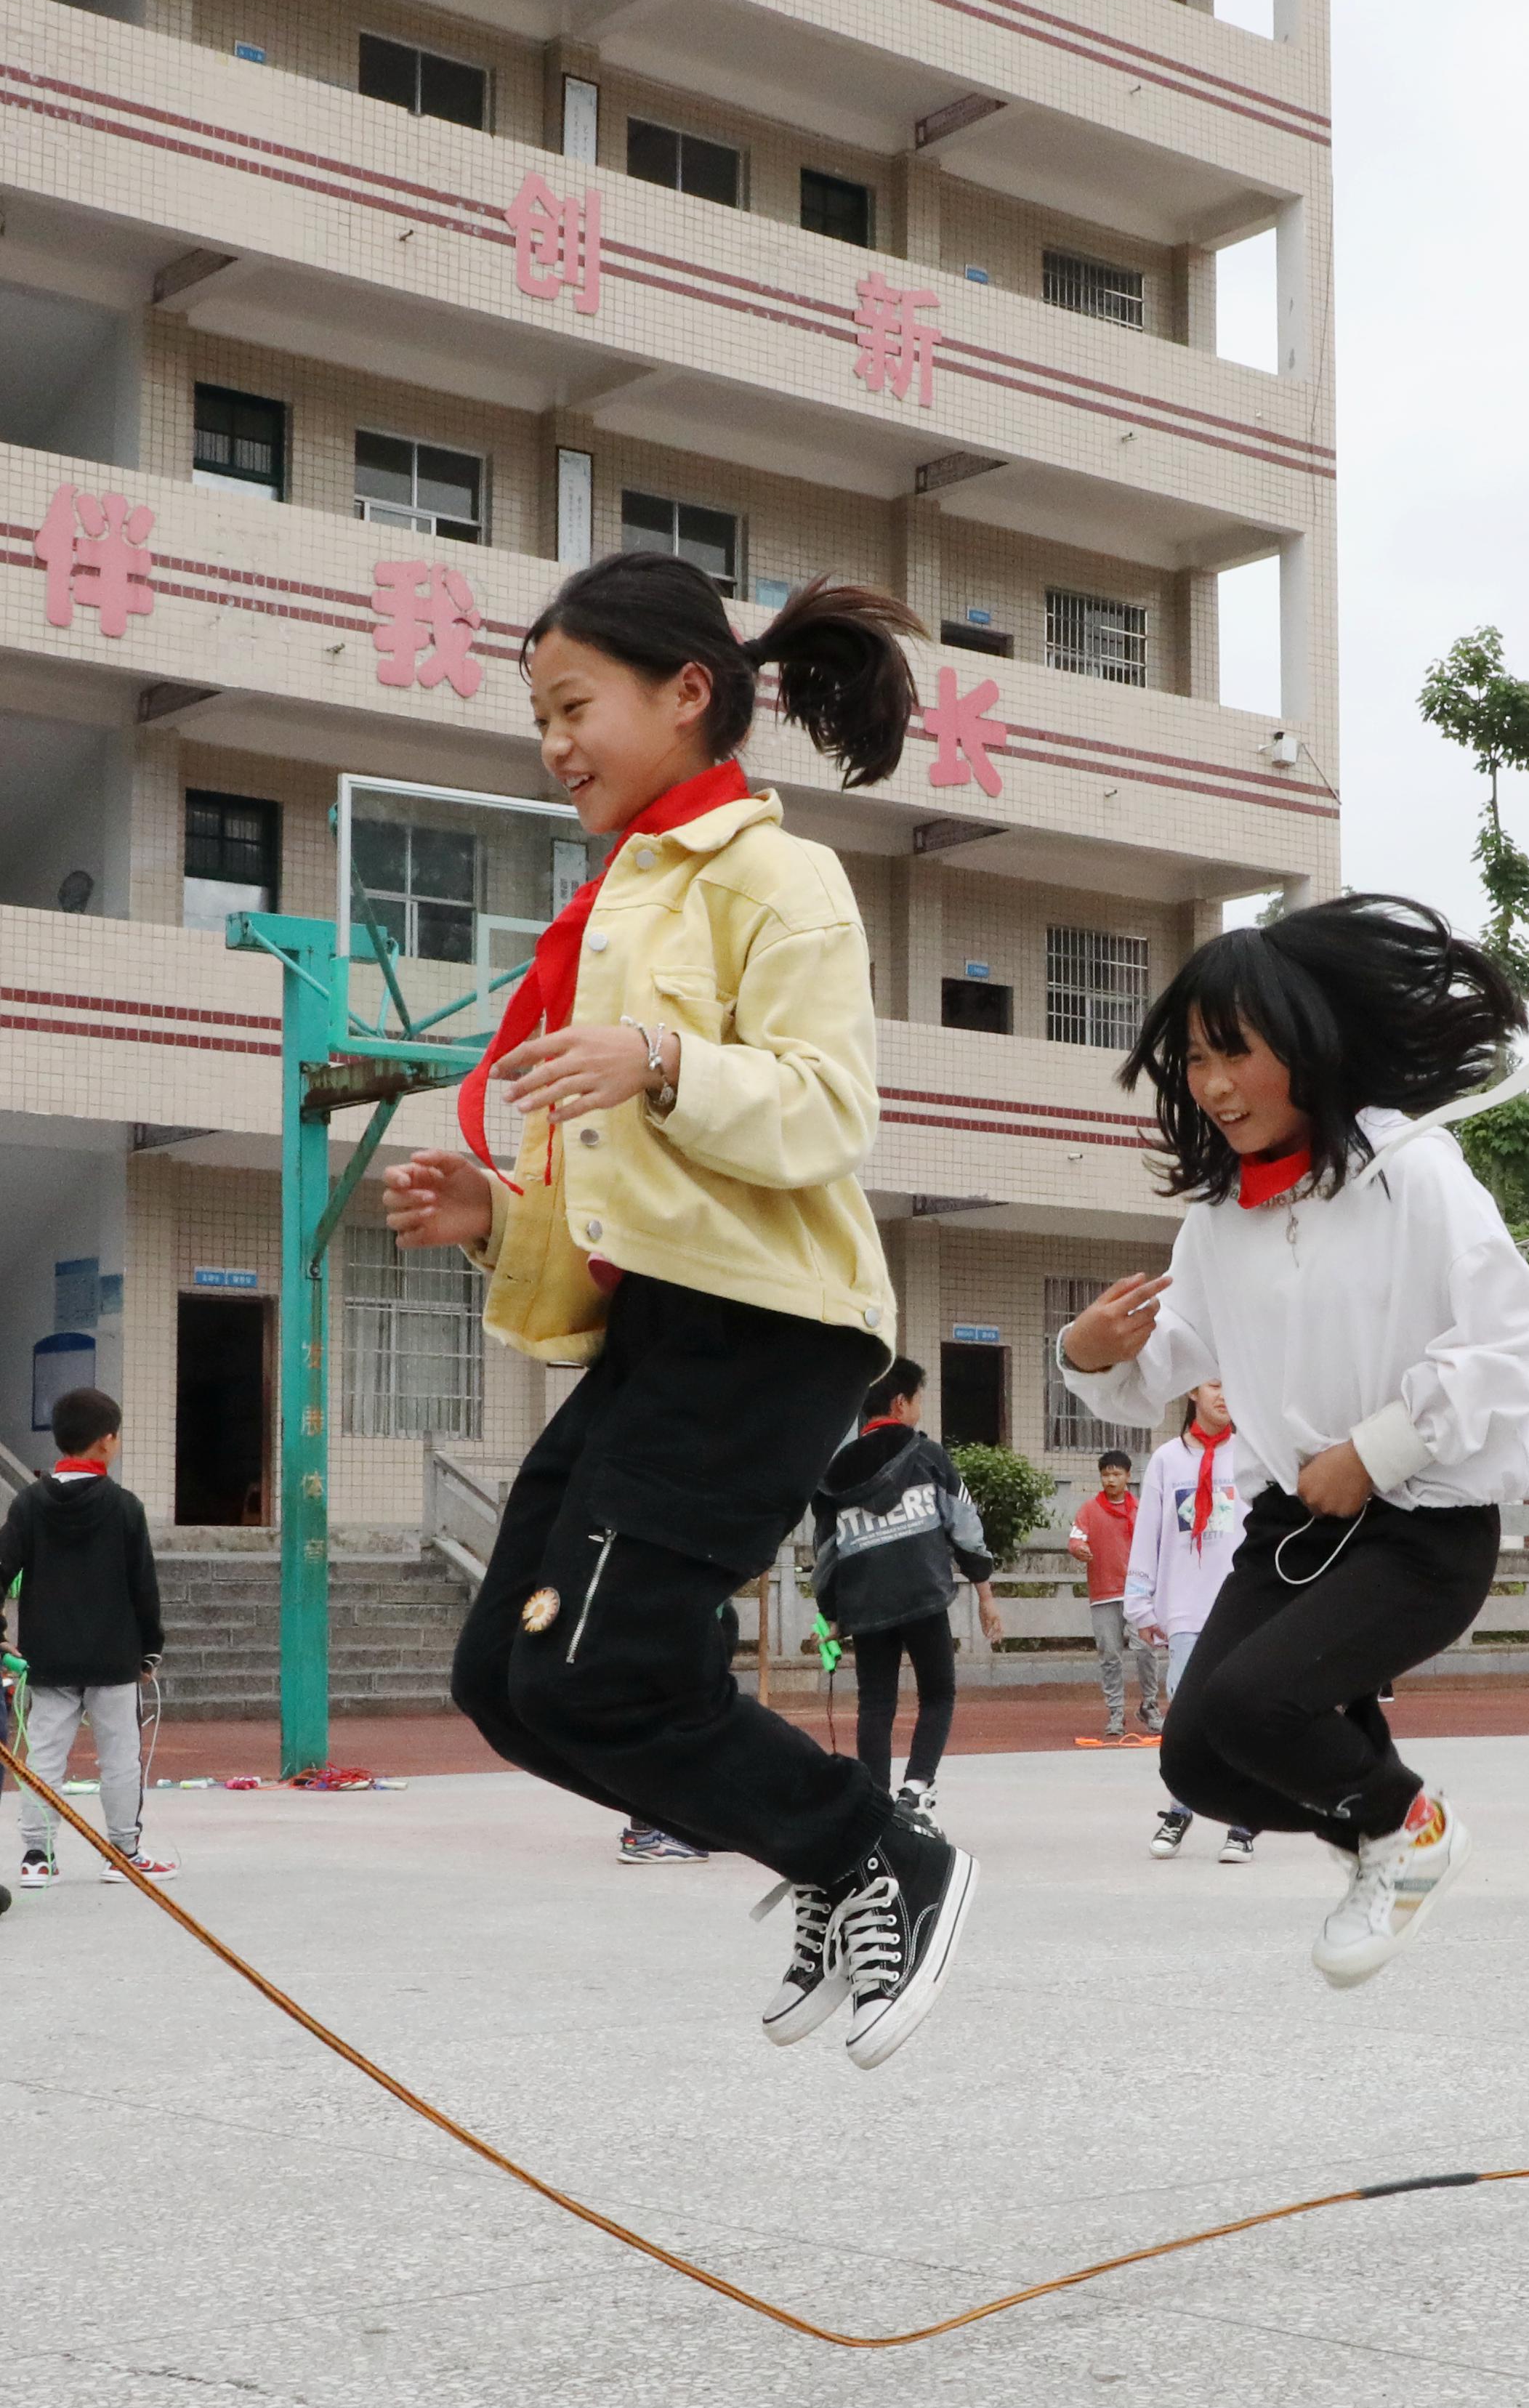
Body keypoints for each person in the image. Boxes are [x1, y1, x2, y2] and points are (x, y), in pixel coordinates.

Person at [379, 555, 972, 2072]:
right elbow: (635, 1191)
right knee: (503, 1685)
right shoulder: (623, 896)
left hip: (772, 1322)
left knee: (589, 1664)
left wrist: (655, 1055)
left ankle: (874, 1850)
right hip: (670, 1329)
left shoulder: (777, 875)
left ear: (686, 692)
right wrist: (496, 1212)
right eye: (537, 716)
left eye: (573, 705)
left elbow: (831, 1112)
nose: (553, 742)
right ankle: (837, 1858)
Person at [1058, 895, 1529, 1986]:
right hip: (1293, 1524)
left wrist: (1375, 1449)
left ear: (1308, 1042)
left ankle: (1399, 1830)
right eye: (1194, 1059)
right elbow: (1163, 1370)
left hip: (1420, 1526)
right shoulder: (1217, 1221)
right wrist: (1091, 1351)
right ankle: (1399, 1829)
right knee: (1198, 1758)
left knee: (1252, 1704)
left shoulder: (1410, 1171)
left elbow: (1518, 1340)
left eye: (1237, 1052)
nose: (1216, 1085)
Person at [810, 1359, 1002, 1833]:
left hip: (866, 1604)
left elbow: (825, 1554)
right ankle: (916, 1792)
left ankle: (875, 1808)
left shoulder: (834, 1473)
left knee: (876, 1703)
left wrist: (830, 1616)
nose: (919, 1411)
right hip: (923, 1596)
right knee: (938, 1694)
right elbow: (965, 1527)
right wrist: (984, 1593)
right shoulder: (928, 1456)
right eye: (917, 1400)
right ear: (900, 1403)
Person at [4, 1389, 172, 1887]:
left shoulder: (29, 1504)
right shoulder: (124, 1507)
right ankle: (123, 1851)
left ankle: (37, 1856)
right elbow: (144, 1584)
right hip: (113, 1656)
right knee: (119, 1756)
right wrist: (150, 1648)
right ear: (106, 1441)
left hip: (47, 1657)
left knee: (45, 1755)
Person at [1127, 1383, 1257, 1864]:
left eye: (1230, 1383)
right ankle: (1180, 1809)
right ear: (1192, 1393)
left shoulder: (1253, 1457)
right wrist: (1140, 1601)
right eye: (1213, 1385)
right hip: (1184, 1606)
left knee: (1239, 1714)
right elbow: (1149, 1532)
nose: (1224, 1394)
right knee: (1185, 1719)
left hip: (1239, 1606)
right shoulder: (1166, 1460)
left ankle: (1242, 1821)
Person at [1068, 1449, 1159, 1742]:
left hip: (1137, 1594)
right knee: (1110, 1656)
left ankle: (1150, 1706)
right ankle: (1116, 1713)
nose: (1111, 1479)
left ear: (1128, 1477)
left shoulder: (1141, 1511)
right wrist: (1078, 1550)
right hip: (1104, 1594)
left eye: (1117, 1474)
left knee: (1146, 1650)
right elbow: (1076, 1539)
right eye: (1106, 1474)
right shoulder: (1089, 1511)